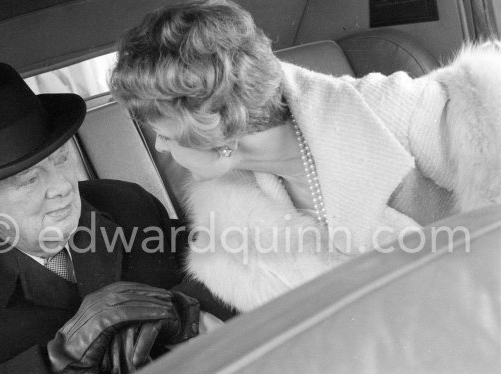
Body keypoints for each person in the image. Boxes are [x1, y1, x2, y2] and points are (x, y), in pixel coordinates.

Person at [109, 0, 501, 313]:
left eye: (164, 134)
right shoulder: (233, 225)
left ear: (217, 135)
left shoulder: (411, 110)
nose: (159, 147)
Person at [0, 62, 232, 374]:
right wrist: (58, 360)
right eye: (29, 180)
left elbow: (228, 264)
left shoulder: (126, 205)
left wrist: (183, 311)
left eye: (60, 159)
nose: (61, 186)